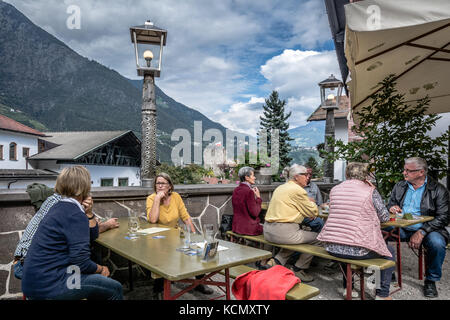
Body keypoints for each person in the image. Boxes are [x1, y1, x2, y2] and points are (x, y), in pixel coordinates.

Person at [21, 166, 123, 300]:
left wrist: (89, 213)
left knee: (97, 283)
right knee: (114, 288)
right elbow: (81, 262)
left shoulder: (59, 207)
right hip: (52, 284)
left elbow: (91, 236)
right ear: (84, 187)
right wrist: (101, 268)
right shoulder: (74, 214)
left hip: (34, 282)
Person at [317, 162, 395, 300]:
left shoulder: (335, 189)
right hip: (358, 250)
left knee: (345, 240)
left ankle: (348, 287)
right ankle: (382, 294)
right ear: (365, 176)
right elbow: (384, 217)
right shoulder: (370, 191)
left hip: (332, 246)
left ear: (347, 174)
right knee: (388, 251)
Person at [13, 191, 119, 280]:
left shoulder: (59, 200)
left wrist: (90, 216)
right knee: (90, 258)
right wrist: (107, 225)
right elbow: (87, 233)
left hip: (31, 262)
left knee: (86, 257)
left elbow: (85, 229)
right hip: (30, 265)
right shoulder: (61, 204)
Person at [387, 157, 448, 298]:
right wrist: (392, 208)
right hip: (402, 227)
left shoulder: (438, 190)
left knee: (437, 243)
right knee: (376, 232)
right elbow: (390, 204)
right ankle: (387, 270)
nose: (404, 173)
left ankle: (431, 280)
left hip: (429, 229)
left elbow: (444, 217)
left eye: (408, 170)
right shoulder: (400, 186)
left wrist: (422, 231)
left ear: (421, 172)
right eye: (404, 169)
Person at [146, 172, 213, 297]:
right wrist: (157, 199)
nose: (159, 186)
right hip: (158, 238)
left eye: (163, 183)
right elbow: (153, 220)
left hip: (176, 235)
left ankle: (200, 282)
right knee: (160, 257)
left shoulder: (176, 196)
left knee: (197, 249)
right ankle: (159, 289)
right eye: (157, 183)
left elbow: (186, 217)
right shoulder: (151, 198)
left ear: (170, 186)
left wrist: (194, 236)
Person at [263, 164, 321, 282]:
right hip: (284, 232)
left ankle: (276, 261)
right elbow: (313, 211)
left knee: (299, 238)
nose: (308, 177)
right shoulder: (297, 190)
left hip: (268, 231)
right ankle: (298, 268)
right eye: (305, 174)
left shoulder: (280, 188)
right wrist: (312, 202)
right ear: (296, 177)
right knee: (320, 238)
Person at [231, 166, 263, 235]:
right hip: (248, 229)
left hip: (236, 227)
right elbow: (255, 213)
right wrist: (258, 197)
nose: (255, 177)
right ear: (247, 177)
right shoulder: (249, 192)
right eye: (253, 175)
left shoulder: (236, 190)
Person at [301, 166, 325, 233]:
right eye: (306, 174)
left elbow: (319, 204)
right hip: (299, 215)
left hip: (312, 215)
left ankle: (317, 240)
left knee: (320, 223)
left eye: (310, 174)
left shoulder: (314, 186)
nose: (308, 176)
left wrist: (314, 214)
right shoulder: (296, 186)